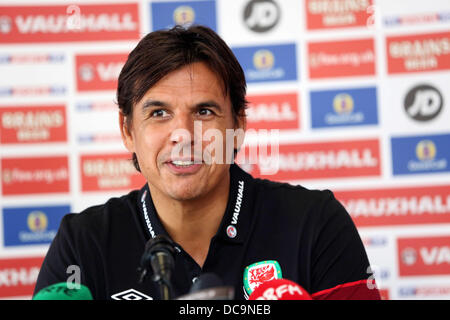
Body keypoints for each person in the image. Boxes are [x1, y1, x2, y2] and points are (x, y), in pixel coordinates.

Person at [34, 25, 381, 300]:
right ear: (128, 132)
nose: (183, 134)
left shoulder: (315, 223)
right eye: (159, 113)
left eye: (203, 111)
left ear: (238, 126)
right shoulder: (83, 242)